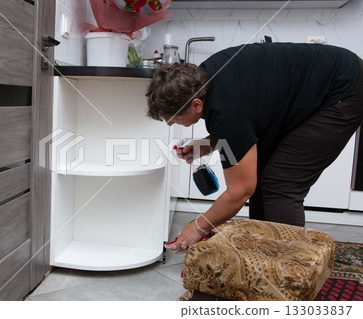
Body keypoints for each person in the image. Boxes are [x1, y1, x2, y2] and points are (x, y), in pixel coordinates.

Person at [146, 42, 363, 254]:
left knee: (281, 183)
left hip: (344, 90)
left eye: (173, 117)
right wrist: (208, 144)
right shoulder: (203, 78)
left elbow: (240, 192)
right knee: (262, 176)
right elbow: (247, 115)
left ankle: (293, 273)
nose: (170, 123)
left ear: (196, 105)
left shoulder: (226, 112)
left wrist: (197, 228)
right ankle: (265, 256)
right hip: (317, 85)